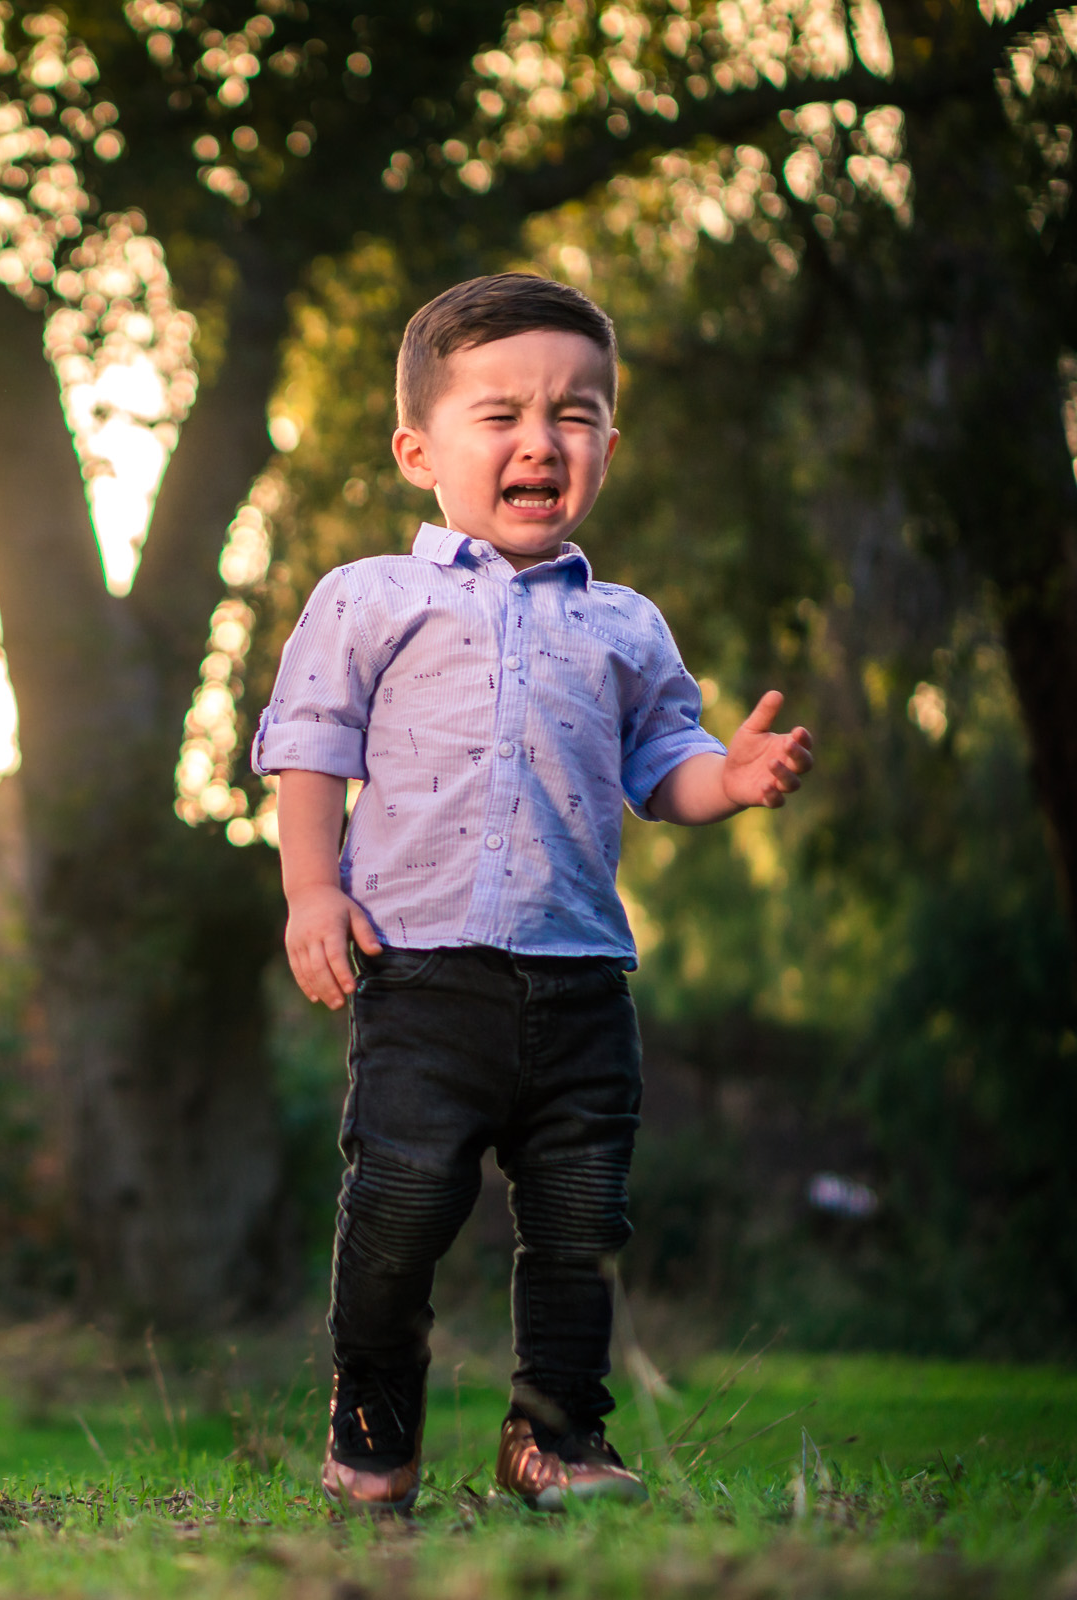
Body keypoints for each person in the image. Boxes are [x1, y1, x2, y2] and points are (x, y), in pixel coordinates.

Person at [251, 274, 814, 1514]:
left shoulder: (624, 624)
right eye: (499, 413)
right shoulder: (371, 599)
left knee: (578, 1223)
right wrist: (310, 890)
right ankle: (375, 1408)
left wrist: (735, 773)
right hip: (421, 975)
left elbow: (667, 765)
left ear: (608, 445)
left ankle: (553, 1435)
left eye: (576, 412)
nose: (539, 439)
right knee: (398, 1206)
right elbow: (311, 741)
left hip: (579, 981)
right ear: (419, 448)